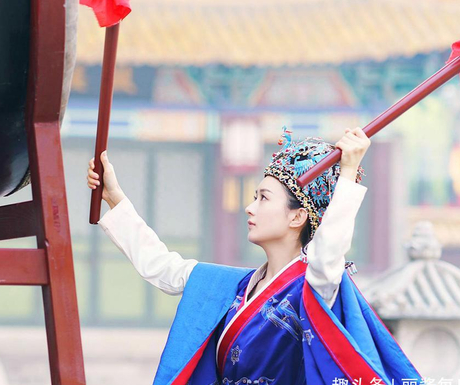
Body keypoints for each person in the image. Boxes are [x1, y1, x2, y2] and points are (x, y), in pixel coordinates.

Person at [87, 126, 422, 385]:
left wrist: (348, 172)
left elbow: (328, 252)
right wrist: (115, 199)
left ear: (297, 216)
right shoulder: (233, 286)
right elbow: (164, 268)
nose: (250, 207)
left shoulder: (315, 287)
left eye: (263, 198)